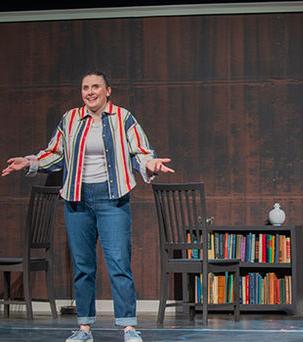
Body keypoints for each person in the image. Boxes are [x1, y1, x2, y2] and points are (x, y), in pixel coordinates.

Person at [2, 71, 174, 342]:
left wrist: (150, 164)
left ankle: (128, 326)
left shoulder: (123, 117)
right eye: (85, 88)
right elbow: (55, 153)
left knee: (118, 262)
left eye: (96, 87)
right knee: (83, 265)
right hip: (77, 200)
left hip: (112, 198)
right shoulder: (70, 119)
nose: (90, 92)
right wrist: (30, 162)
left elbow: (141, 151)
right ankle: (84, 328)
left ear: (108, 91)